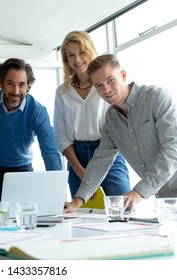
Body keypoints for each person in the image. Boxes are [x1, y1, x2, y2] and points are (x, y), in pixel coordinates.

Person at [64, 53, 177, 213]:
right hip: (168, 202)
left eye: (110, 80)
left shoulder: (158, 97)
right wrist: (78, 201)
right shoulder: (111, 119)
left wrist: (139, 191)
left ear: (123, 75)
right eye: (99, 85)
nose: (106, 89)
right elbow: (101, 160)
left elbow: (174, 149)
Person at [54, 31, 130, 199]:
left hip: (109, 153)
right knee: (83, 217)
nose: (77, 59)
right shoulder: (62, 92)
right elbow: (60, 136)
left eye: (82, 52)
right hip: (77, 158)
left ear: (91, 51)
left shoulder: (105, 86)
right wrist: (79, 170)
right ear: (66, 59)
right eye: (71, 55)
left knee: (121, 211)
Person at [0, 58, 63, 202]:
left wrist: (57, 190)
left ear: (29, 86)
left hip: (21, 171)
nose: (16, 91)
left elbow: (49, 151)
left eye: (21, 85)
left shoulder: (37, 112)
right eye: (10, 84)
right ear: (0, 83)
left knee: (22, 217)